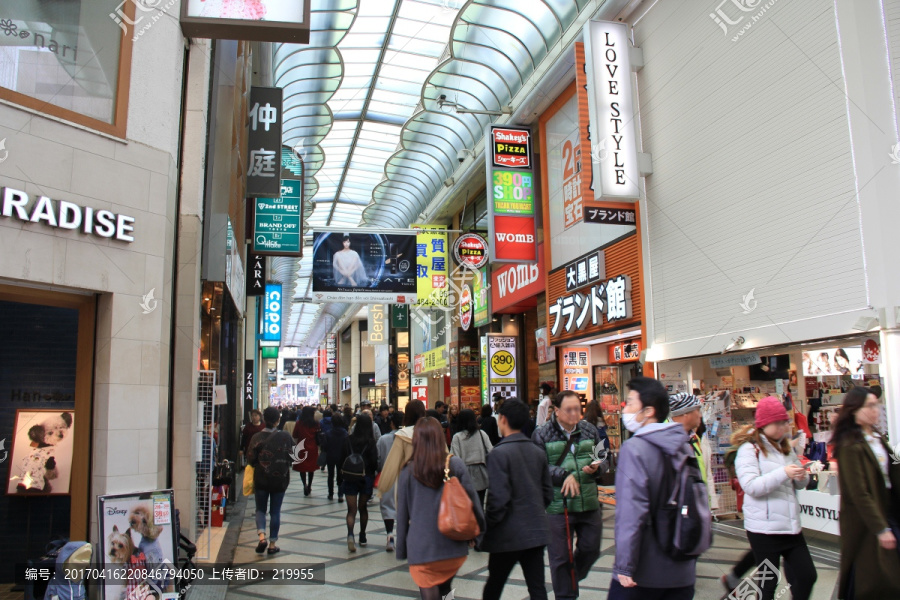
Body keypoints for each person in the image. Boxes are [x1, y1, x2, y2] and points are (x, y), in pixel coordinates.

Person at [609, 377, 699, 599]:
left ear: (648, 411)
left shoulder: (635, 449)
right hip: (682, 568)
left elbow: (631, 512)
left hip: (644, 571)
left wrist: (624, 566)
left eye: (630, 403)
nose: (625, 409)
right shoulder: (683, 444)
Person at [733, 396, 817, 600]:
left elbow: (798, 484)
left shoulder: (785, 448)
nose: (784, 427)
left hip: (791, 527)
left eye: (785, 421)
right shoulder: (749, 450)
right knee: (768, 584)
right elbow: (751, 487)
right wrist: (784, 473)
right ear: (765, 424)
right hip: (764, 529)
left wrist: (801, 475)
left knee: (807, 575)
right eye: (778, 422)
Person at [396, 417, 485, 600]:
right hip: (452, 545)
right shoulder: (455, 464)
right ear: (440, 437)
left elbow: (402, 514)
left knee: (428, 589)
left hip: (421, 547)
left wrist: (401, 549)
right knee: (445, 587)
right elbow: (473, 501)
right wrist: (478, 535)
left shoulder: (408, 471)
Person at [532, 390, 606, 600]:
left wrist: (598, 467)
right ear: (557, 411)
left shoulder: (589, 430)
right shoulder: (542, 434)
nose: (575, 414)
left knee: (591, 548)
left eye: (578, 409)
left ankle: (573, 576)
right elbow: (538, 467)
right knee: (560, 557)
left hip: (588, 502)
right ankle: (566, 595)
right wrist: (563, 475)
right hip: (557, 506)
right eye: (569, 409)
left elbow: (603, 457)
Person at [832, 386, 900, 599]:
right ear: (854, 410)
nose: (875, 410)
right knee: (871, 577)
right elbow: (859, 492)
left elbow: (894, 467)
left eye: (876, 405)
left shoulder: (877, 437)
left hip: (888, 509)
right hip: (866, 521)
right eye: (869, 406)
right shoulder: (849, 445)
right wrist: (881, 528)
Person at [482, 399, 553, 600]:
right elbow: (548, 493)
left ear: (502, 419)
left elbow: (498, 499)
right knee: (537, 587)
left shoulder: (498, 453)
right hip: (536, 531)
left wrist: (488, 526)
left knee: (494, 585)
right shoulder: (537, 452)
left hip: (507, 534)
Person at [246, 406, 293, 556]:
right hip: (280, 479)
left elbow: (250, 459)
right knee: (275, 511)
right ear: (278, 420)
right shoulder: (285, 436)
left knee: (260, 509)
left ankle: (261, 537)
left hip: (261, 477)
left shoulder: (256, 437)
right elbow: (293, 456)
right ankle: (272, 544)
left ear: (264, 420)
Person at [339, 413, 379, 552]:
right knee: (363, 509)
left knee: (351, 510)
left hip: (350, 477)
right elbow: (374, 462)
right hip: (365, 478)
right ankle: (362, 535)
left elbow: (342, 459)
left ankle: (350, 535)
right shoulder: (371, 441)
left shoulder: (348, 439)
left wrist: (340, 478)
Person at [378, 400, 427, 496]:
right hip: (430, 478)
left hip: (409, 480)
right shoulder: (432, 431)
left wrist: (383, 487)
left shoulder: (403, 435)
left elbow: (392, 463)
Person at [450, 408, 493, 507]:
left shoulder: (457, 437)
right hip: (481, 473)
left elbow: (455, 459)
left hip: (464, 474)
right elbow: (491, 452)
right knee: (480, 504)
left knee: (466, 506)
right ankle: (480, 521)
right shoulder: (482, 434)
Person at [378, 411, 405, 552]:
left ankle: (390, 535)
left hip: (387, 476)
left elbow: (378, 458)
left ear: (392, 423)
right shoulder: (410, 439)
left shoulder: (383, 439)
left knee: (388, 506)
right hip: (405, 476)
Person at [291, 406, 320, 496]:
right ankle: (310, 485)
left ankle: (304, 484)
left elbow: (294, 435)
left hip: (301, 447)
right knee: (311, 468)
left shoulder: (299, 423)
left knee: (302, 468)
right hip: (313, 447)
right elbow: (318, 435)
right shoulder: (316, 424)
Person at [324, 414, 349, 502]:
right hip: (341, 456)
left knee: (330, 475)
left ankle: (330, 493)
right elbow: (346, 446)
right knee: (340, 475)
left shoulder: (328, 433)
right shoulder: (345, 433)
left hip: (330, 456)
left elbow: (325, 446)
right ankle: (340, 494)